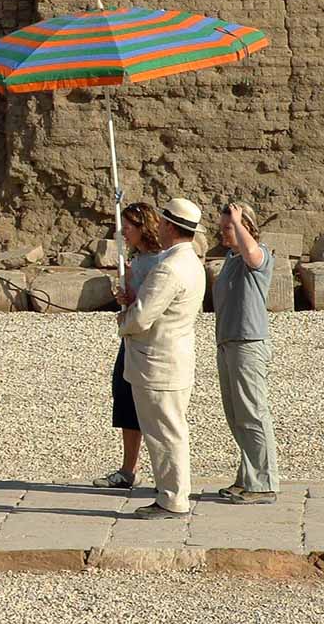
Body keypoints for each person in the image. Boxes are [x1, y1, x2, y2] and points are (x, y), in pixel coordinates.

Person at [118, 197, 206, 519]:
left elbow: (141, 318)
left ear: (169, 225)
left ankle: (172, 499)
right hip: (174, 357)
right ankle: (171, 493)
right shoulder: (191, 262)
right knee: (170, 430)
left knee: (166, 433)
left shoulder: (169, 268)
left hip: (158, 363)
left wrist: (122, 320)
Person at [213, 202, 278, 505]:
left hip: (248, 343)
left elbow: (252, 255)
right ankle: (247, 477)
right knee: (237, 415)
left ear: (246, 228)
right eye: (224, 227)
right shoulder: (229, 259)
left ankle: (263, 483)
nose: (223, 233)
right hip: (228, 342)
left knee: (253, 413)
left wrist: (238, 223)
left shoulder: (260, 255)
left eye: (229, 228)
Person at [94, 202, 162, 489]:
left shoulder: (161, 261)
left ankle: (165, 472)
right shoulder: (136, 258)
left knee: (155, 407)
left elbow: (153, 302)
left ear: (142, 226)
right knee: (124, 399)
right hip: (130, 340)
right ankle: (128, 468)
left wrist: (133, 295)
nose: (123, 233)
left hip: (152, 343)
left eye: (128, 227)